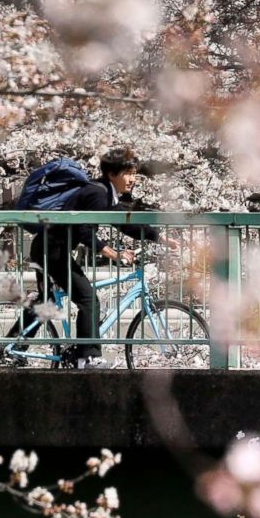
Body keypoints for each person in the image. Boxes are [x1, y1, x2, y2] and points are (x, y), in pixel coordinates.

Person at [28, 147, 179, 369]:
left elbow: (125, 224)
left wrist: (160, 237)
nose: (132, 179)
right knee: (89, 300)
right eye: (127, 173)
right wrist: (111, 253)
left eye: (134, 173)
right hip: (52, 251)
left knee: (46, 302)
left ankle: (13, 347)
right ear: (111, 174)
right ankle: (86, 358)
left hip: (49, 248)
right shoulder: (98, 193)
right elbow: (82, 229)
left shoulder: (105, 193)